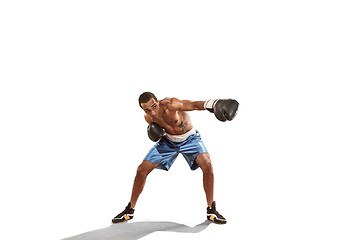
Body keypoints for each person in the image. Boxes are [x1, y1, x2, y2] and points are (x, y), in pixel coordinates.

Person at [112, 92, 239, 224]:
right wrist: (156, 134)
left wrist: (214, 104)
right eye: (147, 110)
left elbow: (193, 105)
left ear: (158, 101)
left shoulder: (171, 105)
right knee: (141, 170)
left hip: (190, 139)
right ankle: (130, 210)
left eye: (153, 106)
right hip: (168, 142)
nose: (152, 112)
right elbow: (159, 131)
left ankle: (211, 210)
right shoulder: (148, 118)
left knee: (207, 164)